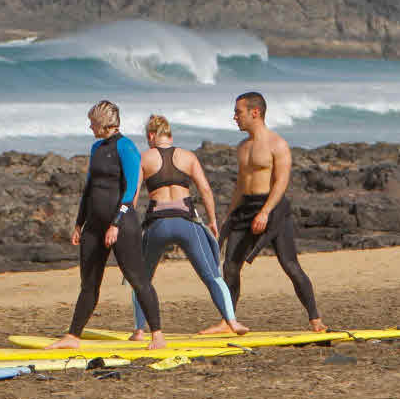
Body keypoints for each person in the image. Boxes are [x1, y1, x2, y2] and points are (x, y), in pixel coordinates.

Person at [46, 101, 167, 350]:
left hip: (122, 225)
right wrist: (79, 222)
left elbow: (131, 188)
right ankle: (73, 336)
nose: (90, 126)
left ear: (104, 123)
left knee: (137, 278)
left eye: (93, 122)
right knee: (88, 283)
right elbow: (89, 188)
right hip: (94, 225)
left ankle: (157, 334)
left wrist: (116, 224)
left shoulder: (126, 147)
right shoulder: (96, 148)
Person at [129, 115, 249, 340]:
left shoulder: (144, 158)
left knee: (141, 279)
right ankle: (232, 321)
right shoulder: (189, 157)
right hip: (187, 222)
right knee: (212, 276)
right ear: (170, 135)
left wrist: (129, 226)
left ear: (151, 136)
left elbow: (133, 197)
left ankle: (139, 330)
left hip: (158, 224)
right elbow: (205, 190)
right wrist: (212, 221)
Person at [214, 92, 326, 332]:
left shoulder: (277, 144)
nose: (235, 117)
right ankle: (228, 321)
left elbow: (281, 182)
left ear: (255, 112)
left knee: (289, 264)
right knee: (230, 266)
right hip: (245, 209)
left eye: (238, 112)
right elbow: (240, 185)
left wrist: (265, 212)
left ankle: (315, 319)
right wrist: (228, 216)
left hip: (273, 209)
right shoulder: (242, 147)